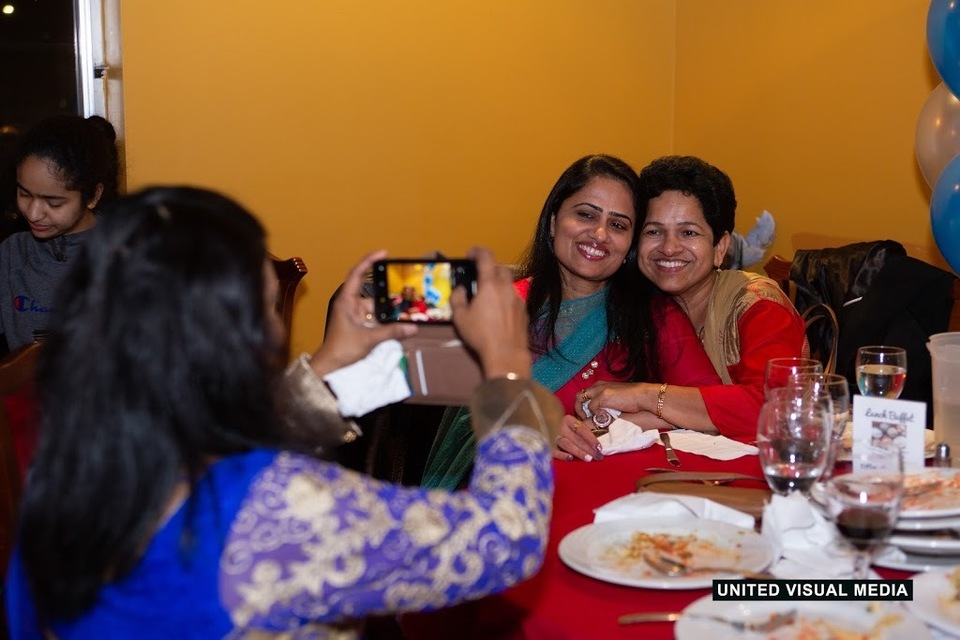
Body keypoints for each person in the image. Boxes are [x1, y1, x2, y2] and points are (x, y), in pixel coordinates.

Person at [6, 186, 562, 639]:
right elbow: (504, 540)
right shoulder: (283, 512)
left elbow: (232, 442)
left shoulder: (66, 471)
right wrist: (507, 372)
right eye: (269, 306)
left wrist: (329, 364)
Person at [423, 154, 721, 484]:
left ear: (630, 245)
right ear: (553, 222)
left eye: (618, 225)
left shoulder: (654, 315)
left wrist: (622, 419)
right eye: (585, 215)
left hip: (622, 491)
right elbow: (461, 420)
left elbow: (713, 408)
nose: (600, 234)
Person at [572, 155, 806, 444]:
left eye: (688, 232)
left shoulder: (759, 305)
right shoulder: (636, 306)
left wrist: (645, 395)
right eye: (654, 231)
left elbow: (778, 409)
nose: (669, 248)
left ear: (720, 247)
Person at [0, 114, 119, 352]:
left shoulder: (128, 255)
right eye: (24, 194)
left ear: (93, 196)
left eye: (53, 203)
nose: (33, 213)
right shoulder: (12, 254)